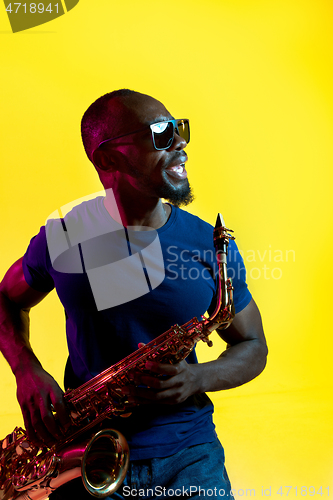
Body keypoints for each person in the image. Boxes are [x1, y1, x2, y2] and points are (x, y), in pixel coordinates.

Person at [0, 89, 267, 499]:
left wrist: (198, 377)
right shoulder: (66, 235)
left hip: (189, 454)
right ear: (108, 158)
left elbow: (253, 345)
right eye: (160, 133)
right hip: (83, 450)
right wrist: (25, 371)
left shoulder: (210, 244)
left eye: (179, 129)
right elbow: (6, 298)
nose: (180, 144)